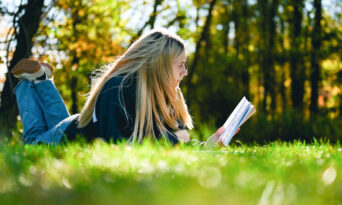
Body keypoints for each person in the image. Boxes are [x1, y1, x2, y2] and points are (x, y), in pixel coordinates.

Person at [12, 28, 227, 146]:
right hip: (68, 136)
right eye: (180, 65)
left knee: (54, 124)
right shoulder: (117, 88)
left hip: (75, 124)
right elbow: (115, 142)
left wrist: (205, 145)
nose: (186, 72)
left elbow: (168, 140)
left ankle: (40, 79)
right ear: (159, 66)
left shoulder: (164, 96)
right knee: (32, 141)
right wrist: (174, 141)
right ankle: (33, 82)